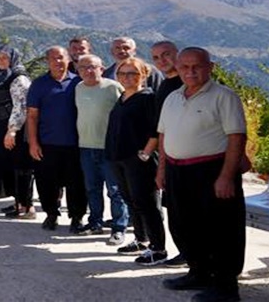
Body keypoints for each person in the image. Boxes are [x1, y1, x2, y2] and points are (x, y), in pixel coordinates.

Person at [158, 47, 247, 302]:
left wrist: (226, 176)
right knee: (184, 225)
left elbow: (237, 137)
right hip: (176, 170)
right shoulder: (173, 97)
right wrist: (162, 169)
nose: (190, 71)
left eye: (197, 66)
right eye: (185, 67)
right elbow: (163, 134)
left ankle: (226, 287)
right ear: (178, 68)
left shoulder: (224, 96)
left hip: (212, 170)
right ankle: (199, 273)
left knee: (221, 230)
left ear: (210, 67)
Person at [105, 56, 166, 265]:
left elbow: (156, 129)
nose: (126, 77)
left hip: (139, 159)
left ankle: (158, 248)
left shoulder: (148, 98)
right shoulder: (122, 96)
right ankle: (141, 240)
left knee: (147, 204)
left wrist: (146, 153)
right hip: (119, 158)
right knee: (132, 201)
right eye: (122, 73)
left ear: (144, 75)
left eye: (132, 73)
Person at [27, 46, 86, 232]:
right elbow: (32, 116)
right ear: (47, 61)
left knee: (77, 183)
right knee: (47, 182)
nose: (57, 61)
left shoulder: (79, 82)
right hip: (47, 143)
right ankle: (51, 214)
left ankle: (77, 217)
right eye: (53, 58)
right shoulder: (38, 84)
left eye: (60, 57)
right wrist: (33, 143)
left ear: (68, 59)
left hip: (76, 143)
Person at [74, 54, 128, 243]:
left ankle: (119, 228)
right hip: (86, 146)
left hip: (109, 148)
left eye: (92, 67)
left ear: (102, 69)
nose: (88, 71)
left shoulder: (113, 87)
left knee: (115, 190)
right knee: (92, 188)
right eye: (83, 67)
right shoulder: (78, 88)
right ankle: (95, 223)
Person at [150, 40, 187, 268]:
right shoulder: (165, 86)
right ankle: (187, 254)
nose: (161, 60)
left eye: (166, 54)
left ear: (177, 54)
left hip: (195, 159)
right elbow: (161, 129)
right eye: (156, 57)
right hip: (171, 158)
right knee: (176, 211)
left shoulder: (189, 83)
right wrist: (161, 166)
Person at [0, 46, 33, 216]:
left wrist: (12, 130)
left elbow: (22, 106)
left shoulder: (19, 78)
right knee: (9, 167)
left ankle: (26, 206)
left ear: (13, 59)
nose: (1, 61)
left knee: (20, 166)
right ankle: (18, 202)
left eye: (5, 57)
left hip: (13, 130)